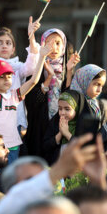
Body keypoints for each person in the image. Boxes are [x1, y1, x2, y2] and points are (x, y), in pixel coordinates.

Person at [0, 26, 51, 163]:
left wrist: (42, 56)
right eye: (1, 76)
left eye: (9, 76)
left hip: (11, 147)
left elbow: (33, 81)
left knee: (8, 181)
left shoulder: (15, 96)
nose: (7, 79)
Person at [0, 134, 106, 214]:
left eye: (41, 178)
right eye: (31, 180)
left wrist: (99, 183)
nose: (41, 185)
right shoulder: (5, 206)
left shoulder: (61, 210)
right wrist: (59, 170)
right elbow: (16, 198)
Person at [23, 28, 80, 157]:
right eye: (49, 43)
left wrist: (70, 71)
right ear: (42, 44)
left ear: (64, 45)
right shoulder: (35, 68)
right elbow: (32, 103)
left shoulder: (67, 68)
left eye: (58, 43)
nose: (54, 47)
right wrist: (48, 78)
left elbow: (70, 99)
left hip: (61, 127)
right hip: (39, 127)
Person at [43, 90, 88, 165]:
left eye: (67, 109)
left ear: (77, 109)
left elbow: (84, 149)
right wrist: (60, 134)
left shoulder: (85, 126)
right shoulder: (55, 122)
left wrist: (67, 133)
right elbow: (45, 146)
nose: (62, 113)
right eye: (60, 109)